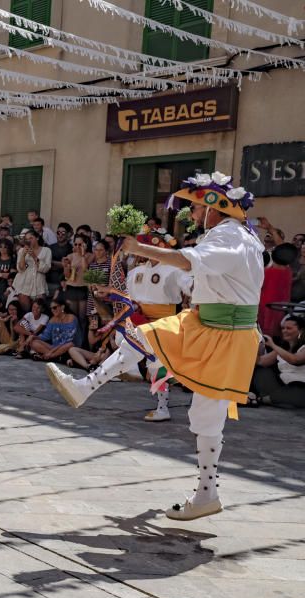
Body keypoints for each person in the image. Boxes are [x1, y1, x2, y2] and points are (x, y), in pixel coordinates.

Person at [47, 172, 263, 521]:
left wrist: (138, 248)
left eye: (194, 207)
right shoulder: (238, 237)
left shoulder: (229, 237)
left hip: (225, 332)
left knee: (207, 417)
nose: (190, 215)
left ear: (214, 207)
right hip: (208, 323)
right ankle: (84, 387)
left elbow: (186, 261)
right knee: (141, 336)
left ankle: (207, 494)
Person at [122, 228, 193, 422]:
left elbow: (189, 285)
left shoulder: (173, 269)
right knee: (122, 335)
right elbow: (127, 294)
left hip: (164, 321)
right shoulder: (137, 271)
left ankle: (163, 407)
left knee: (158, 365)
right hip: (140, 317)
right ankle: (132, 369)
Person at [250, 315, 305, 408]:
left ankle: (262, 399)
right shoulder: (281, 349)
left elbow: (295, 359)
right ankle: (268, 399)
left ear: (301, 331)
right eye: (283, 328)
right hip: (281, 386)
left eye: (289, 328)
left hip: (300, 387)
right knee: (262, 372)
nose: (284, 331)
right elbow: (260, 362)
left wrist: (272, 345)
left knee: (296, 391)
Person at [12, 229, 51, 310]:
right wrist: (23, 255)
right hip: (24, 283)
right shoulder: (21, 250)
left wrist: (34, 256)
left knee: (38, 310)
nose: (29, 241)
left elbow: (45, 269)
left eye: (31, 238)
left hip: (39, 283)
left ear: (37, 238)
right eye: (27, 239)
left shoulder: (46, 250)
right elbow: (21, 269)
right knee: (25, 311)